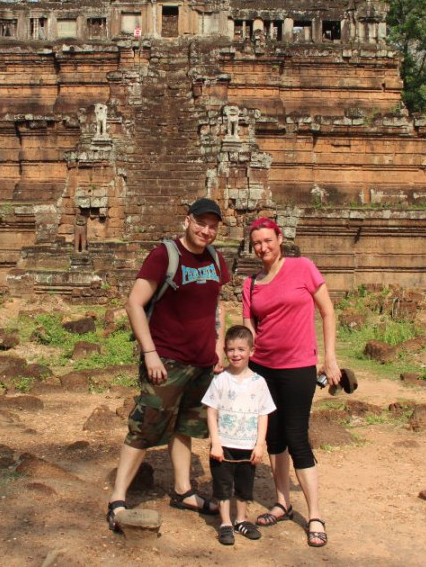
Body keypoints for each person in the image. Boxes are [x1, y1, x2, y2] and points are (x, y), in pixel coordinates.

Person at [107, 198, 231, 531]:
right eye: (201, 223)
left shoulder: (216, 259)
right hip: (166, 361)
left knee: (187, 427)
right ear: (188, 220)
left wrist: (218, 345)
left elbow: (217, 305)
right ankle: (117, 499)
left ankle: (183, 490)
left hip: (202, 363)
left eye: (212, 225)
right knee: (144, 427)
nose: (206, 230)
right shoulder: (165, 255)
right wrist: (149, 353)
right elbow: (134, 303)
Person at [242, 217, 340, 548]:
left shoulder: (303, 268)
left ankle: (315, 515)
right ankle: (283, 501)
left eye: (268, 240)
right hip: (262, 368)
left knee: (298, 437)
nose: (262, 247)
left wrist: (330, 358)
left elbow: (327, 311)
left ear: (280, 238)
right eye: (257, 243)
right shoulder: (250, 283)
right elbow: (249, 330)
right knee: (273, 438)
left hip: (298, 367)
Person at [202, 325, 276, 545]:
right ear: (225, 351)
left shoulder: (259, 382)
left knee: (245, 486)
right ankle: (225, 522)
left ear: (251, 351)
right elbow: (211, 410)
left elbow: (264, 413)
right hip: (223, 445)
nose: (236, 354)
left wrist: (260, 444)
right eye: (232, 349)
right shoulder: (220, 380)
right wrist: (215, 442)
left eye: (241, 349)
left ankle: (241, 519)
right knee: (223, 485)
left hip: (248, 445)